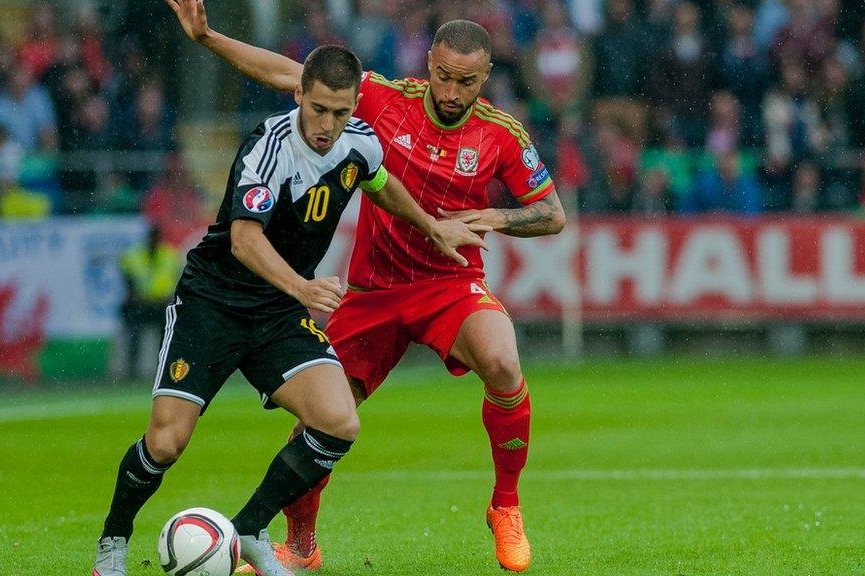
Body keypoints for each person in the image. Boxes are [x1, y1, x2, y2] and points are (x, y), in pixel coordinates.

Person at [166, 1, 567, 572]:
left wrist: (496, 218)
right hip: (373, 290)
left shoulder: (502, 134)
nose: (452, 92)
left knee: (503, 362)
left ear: (487, 77)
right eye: (444, 76)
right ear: (429, 63)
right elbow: (288, 73)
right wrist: (209, 39)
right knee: (318, 422)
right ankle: (301, 544)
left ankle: (505, 505)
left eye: (468, 82)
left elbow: (551, 214)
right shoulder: (381, 98)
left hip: (450, 284)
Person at [92, 44, 488, 576]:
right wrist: (303, 289)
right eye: (318, 109)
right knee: (166, 442)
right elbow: (243, 241)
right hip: (213, 303)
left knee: (338, 421)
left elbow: (382, 184)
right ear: (299, 93)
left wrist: (433, 225)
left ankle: (250, 528)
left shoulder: (359, 143)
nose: (327, 124)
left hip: (276, 312)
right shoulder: (268, 146)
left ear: (354, 107)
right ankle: (112, 545)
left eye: (341, 112)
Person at [118, 225, 184, 379]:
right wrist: (134, 294)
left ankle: (163, 369)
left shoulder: (169, 255)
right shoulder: (133, 256)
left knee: (166, 339)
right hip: (140, 304)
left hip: (161, 304)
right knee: (135, 337)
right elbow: (128, 280)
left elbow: (176, 280)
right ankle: (132, 373)